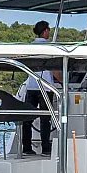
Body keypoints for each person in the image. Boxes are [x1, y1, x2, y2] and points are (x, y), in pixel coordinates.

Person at [21, 21, 59, 155]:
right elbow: (53, 68)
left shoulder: (30, 47)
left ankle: (26, 148)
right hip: (45, 87)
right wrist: (61, 81)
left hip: (31, 86)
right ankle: (46, 149)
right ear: (45, 31)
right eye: (48, 30)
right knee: (45, 119)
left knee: (27, 118)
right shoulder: (49, 47)